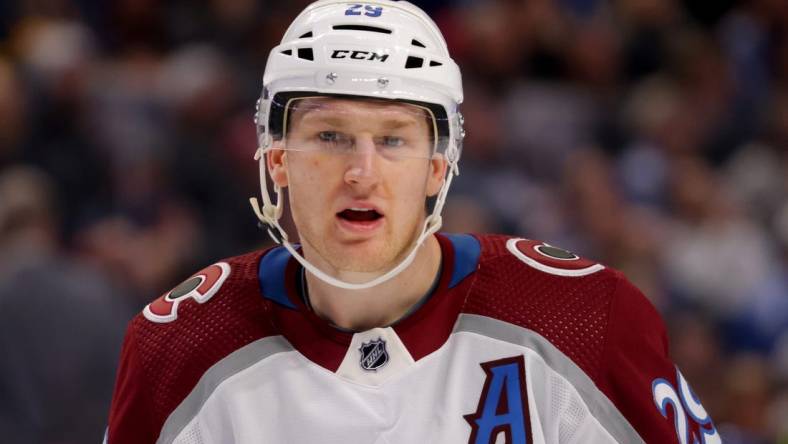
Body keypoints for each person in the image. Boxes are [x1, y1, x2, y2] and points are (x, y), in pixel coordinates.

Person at [106, 1, 720, 443]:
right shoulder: (175, 349)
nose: (361, 173)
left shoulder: (587, 321)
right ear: (276, 159)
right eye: (329, 135)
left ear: (437, 167)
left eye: (393, 141)